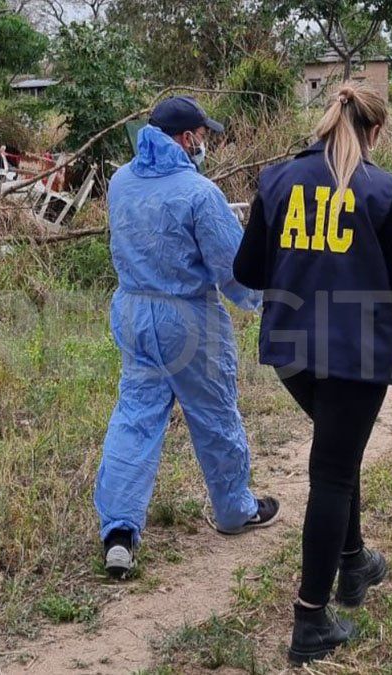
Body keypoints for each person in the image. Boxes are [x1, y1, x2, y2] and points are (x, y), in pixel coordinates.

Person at [233, 82, 392, 665]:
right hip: (353, 353)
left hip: (291, 352)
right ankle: (311, 619)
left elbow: (247, 269)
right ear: (375, 131)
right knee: (334, 472)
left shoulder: (277, 180)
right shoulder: (379, 189)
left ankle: (355, 563)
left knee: (339, 452)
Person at [94, 96, 281, 579]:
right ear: (186, 139)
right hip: (190, 321)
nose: (206, 145)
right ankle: (234, 510)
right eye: (203, 136)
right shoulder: (199, 193)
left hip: (134, 313)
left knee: (135, 416)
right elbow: (232, 268)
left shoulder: (119, 182)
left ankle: (118, 531)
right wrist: (262, 299)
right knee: (215, 414)